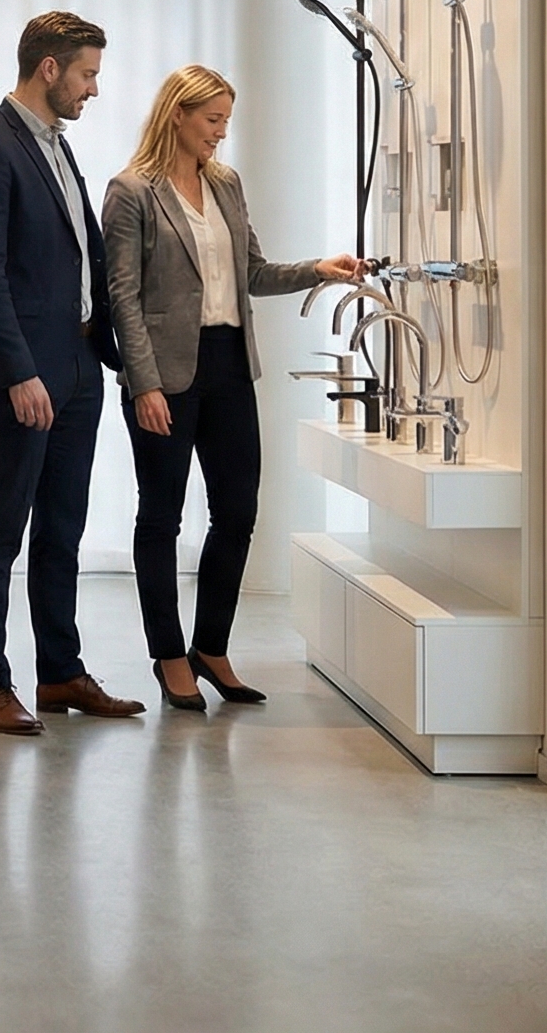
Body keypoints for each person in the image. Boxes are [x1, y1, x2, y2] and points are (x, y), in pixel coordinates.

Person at [101, 65, 361, 710]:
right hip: (163, 374)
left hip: (227, 366)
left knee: (237, 512)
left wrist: (317, 270)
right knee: (160, 516)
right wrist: (144, 384)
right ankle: (169, 657)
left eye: (226, 121)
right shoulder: (132, 190)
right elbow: (122, 297)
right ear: (178, 116)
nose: (221, 133)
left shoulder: (225, 183)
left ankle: (210, 648)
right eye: (212, 120)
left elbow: (253, 272)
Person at [0, 12, 147, 736]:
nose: (95, 89)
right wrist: (17, 374)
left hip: (78, 364)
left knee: (62, 525)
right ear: (49, 69)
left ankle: (60, 672)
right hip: (22, 377)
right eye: (88, 73)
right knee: (0, 528)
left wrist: (113, 359)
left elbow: (78, 260)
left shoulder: (58, 148)